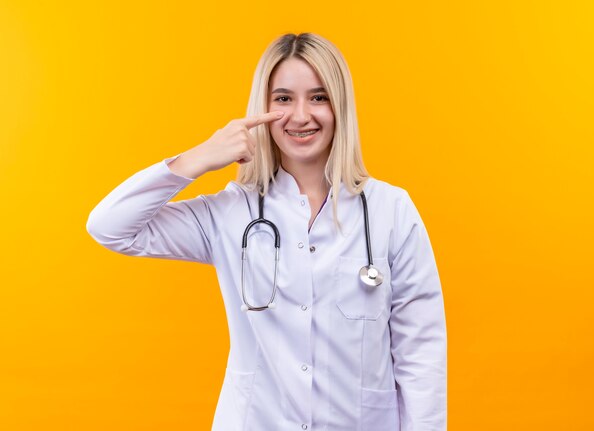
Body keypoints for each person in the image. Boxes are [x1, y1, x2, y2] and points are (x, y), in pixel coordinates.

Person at [86, 32, 447, 431]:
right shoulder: (229, 213)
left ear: (340, 105)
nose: (300, 115)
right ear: (263, 108)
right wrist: (200, 157)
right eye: (283, 99)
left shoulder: (391, 210)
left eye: (319, 97)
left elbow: (421, 353)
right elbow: (110, 227)